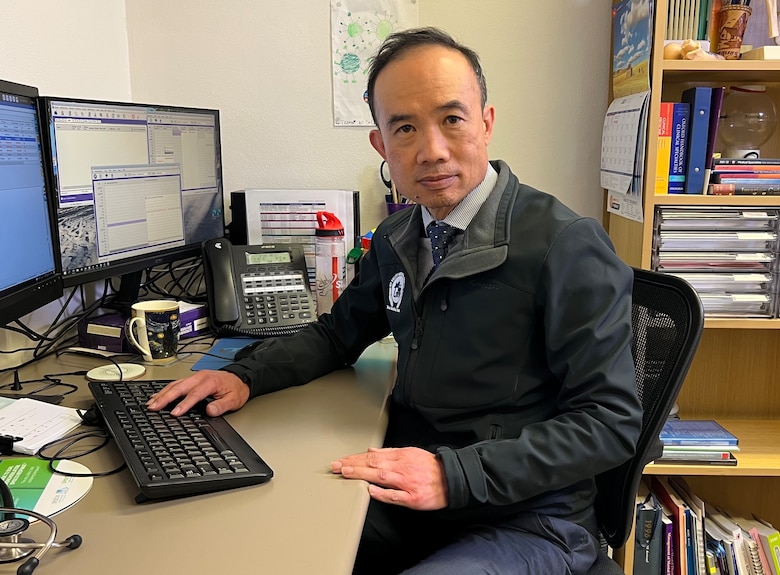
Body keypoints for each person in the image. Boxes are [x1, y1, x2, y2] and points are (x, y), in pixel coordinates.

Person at [148, 27, 642, 575]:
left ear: (487, 123)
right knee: (248, 540)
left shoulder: (564, 244)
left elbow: (609, 422)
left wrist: (453, 476)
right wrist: (245, 376)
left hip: (528, 517)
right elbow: (338, 335)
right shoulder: (397, 239)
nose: (431, 150)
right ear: (381, 145)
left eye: (452, 119)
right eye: (404, 127)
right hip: (413, 490)